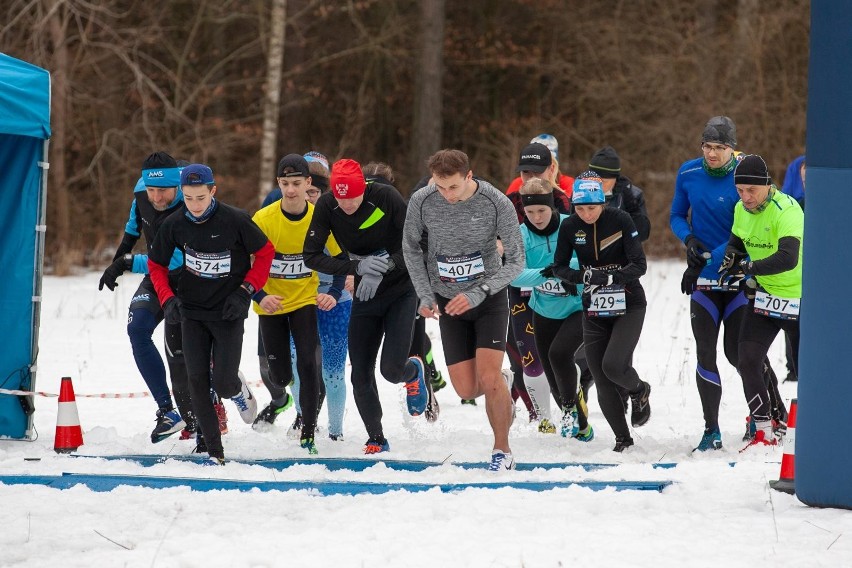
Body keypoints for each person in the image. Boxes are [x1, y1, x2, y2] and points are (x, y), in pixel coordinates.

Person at [403, 149, 525, 471]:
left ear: (469, 177)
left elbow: (516, 261)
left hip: (488, 299)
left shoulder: (496, 202)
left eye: (453, 188)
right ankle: (501, 380)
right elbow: (411, 248)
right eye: (440, 187)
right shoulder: (422, 200)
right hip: (448, 301)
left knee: (487, 379)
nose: (446, 195)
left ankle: (502, 450)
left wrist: (479, 292)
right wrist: (425, 294)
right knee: (468, 389)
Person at [670, 116, 786, 451]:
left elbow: (749, 227)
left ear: (732, 147)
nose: (713, 153)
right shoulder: (688, 172)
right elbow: (677, 215)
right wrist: (689, 240)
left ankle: (765, 413)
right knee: (705, 354)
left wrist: (705, 260)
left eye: (720, 147)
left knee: (739, 354)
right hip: (704, 280)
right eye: (707, 146)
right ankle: (711, 431)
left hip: (738, 278)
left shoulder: (745, 176)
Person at [148, 163, 274, 464]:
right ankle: (214, 451)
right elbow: (157, 265)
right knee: (197, 382)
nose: (195, 205)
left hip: (228, 313)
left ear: (213, 191)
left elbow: (266, 253)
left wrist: (246, 291)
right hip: (192, 313)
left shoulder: (235, 220)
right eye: (189, 198)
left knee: (223, 382)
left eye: (201, 198)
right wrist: (168, 299)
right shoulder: (175, 223)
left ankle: (237, 388)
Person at [303, 158, 431, 455]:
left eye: (353, 199)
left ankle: (413, 372)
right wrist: (356, 267)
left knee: (390, 369)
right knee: (359, 371)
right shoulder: (326, 206)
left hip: (400, 288)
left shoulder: (386, 197)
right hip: (364, 291)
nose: (347, 205)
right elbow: (310, 255)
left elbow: (417, 245)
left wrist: (385, 266)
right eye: (340, 199)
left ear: (365, 190)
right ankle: (377, 437)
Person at [98, 151, 193, 443]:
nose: (157, 197)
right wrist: (115, 263)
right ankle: (167, 412)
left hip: (189, 281)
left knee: (182, 355)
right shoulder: (141, 194)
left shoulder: (189, 206)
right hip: (156, 279)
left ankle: (221, 393)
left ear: (176, 186)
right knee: (137, 329)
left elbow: (173, 260)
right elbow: (132, 230)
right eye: (151, 190)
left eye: (163, 191)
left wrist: (126, 263)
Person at [551, 174, 650, 452]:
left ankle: (639, 389)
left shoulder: (620, 220)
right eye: (580, 209)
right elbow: (559, 267)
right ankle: (623, 439)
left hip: (629, 303)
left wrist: (610, 277)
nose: (586, 214)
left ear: (602, 203)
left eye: (591, 208)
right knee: (600, 374)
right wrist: (583, 276)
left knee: (613, 365)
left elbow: (639, 265)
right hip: (593, 306)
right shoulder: (570, 226)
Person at [250, 154, 341, 454]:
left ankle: (309, 431)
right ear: (279, 183)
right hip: (272, 305)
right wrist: (260, 296)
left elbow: (341, 259)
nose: (291, 190)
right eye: (286, 184)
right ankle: (286, 395)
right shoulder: (263, 219)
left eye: (297, 184)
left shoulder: (319, 218)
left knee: (308, 362)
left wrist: (337, 291)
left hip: (304, 300)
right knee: (281, 375)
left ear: (308, 184)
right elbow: (242, 264)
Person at [718, 155, 803, 448]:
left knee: (806, 370)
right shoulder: (742, 209)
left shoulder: (787, 209)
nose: (746, 197)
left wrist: (748, 268)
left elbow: (788, 258)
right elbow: (737, 241)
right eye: (740, 190)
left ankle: (815, 426)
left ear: (767, 185)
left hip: (798, 298)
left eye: (751, 190)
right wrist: (731, 256)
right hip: (766, 297)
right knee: (748, 360)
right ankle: (765, 428)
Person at [510, 178, 593, 441]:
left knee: (559, 354)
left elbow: (585, 261)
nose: (536, 217)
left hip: (578, 307)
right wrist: (549, 272)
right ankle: (583, 426)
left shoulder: (572, 225)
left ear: (552, 207)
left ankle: (568, 410)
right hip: (543, 310)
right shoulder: (520, 234)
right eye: (530, 212)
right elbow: (514, 276)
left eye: (541, 211)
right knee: (552, 371)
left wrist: (564, 269)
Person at [364, 162, 446, 415]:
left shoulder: (402, 207)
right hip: (373, 292)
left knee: (414, 340)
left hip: (409, 285)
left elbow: (422, 247)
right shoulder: (354, 211)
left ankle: (426, 387)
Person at [284, 154, 351, 441]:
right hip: (299, 301)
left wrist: (342, 286)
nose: (308, 197)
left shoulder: (338, 216)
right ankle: (304, 419)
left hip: (336, 303)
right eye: (304, 191)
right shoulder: (285, 216)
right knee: (297, 367)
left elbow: (351, 258)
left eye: (314, 192)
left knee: (333, 373)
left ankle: (336, 433)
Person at [506, 142, 572, 431]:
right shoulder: (509, 200)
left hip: (564, 291)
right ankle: (542, 418)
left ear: (552, 169)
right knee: (529, 359)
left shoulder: (565, 200)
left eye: (537, 171)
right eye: (525, 171)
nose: (530, 176)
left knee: (564, 356)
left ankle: (571, 409)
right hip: (522, 289)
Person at [587, 146, 651, 241]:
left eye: (603, 181)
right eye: (594, 180)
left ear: (615, 178)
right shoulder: (580, 191)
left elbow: (642, 234)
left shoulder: (633, 195)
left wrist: (632, 207)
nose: (597, 185)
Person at [505, 133, 575, 198]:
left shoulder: (569, 184)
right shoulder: (517, 184)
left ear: (552, 168)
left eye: (539, 169)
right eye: (526, 170)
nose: (532, 177)